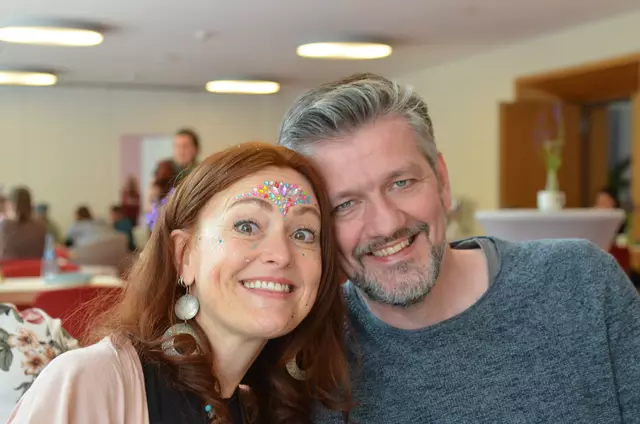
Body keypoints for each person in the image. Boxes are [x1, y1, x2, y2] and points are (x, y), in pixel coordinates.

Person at [278, 73, 640, 423]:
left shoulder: (581, 282)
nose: (386, 224)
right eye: (345, 205)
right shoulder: (308, 355)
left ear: (442, 180)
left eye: (401, 183)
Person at [8, 142, 351, 424]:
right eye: (247, 226)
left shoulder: (268, 406)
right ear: (183, 255)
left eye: (303, 233)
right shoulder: (92, 384)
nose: (281, 254)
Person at [0, 187, 47, 260]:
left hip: (10, 267)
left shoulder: (5, 225)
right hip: (35, 266)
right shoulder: (41, 226)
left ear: (10, 205)